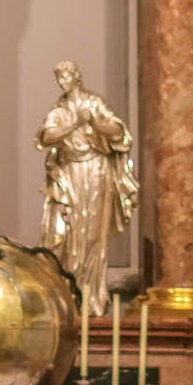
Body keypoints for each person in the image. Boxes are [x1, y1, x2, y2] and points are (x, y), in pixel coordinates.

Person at [36, 60, 139, 316]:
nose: (62, 82)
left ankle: (92, 297)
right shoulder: (59, 110)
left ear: (76, 77)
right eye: (58, 77)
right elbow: (46, 137)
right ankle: (70, 296)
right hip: (70, 174)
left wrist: (93, 122)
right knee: (68, 237)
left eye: (65, 76)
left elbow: (118, 131)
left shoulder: (93, 103)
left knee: (94, 236)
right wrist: (73, 125)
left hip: (95, 172)